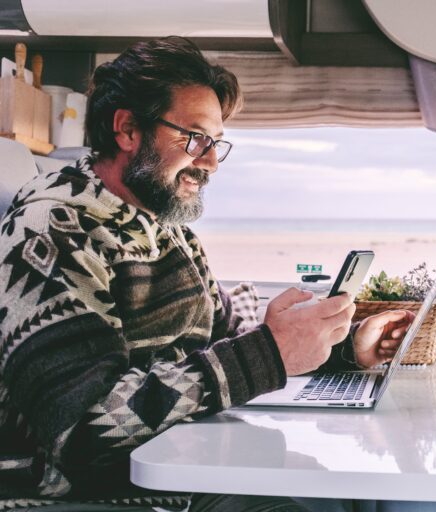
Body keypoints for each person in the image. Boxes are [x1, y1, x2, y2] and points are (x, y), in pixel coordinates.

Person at [0, 37, 414, 511]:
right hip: (87, 494)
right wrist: (269, 352)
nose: (211, 161)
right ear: (128, 129)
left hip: (180, 467)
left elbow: (223, 340)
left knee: (346, 492)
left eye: (216, 143)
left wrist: (343, 345)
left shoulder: (167, 227)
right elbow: (79, 430)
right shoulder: (54, 229)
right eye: (195, 137)